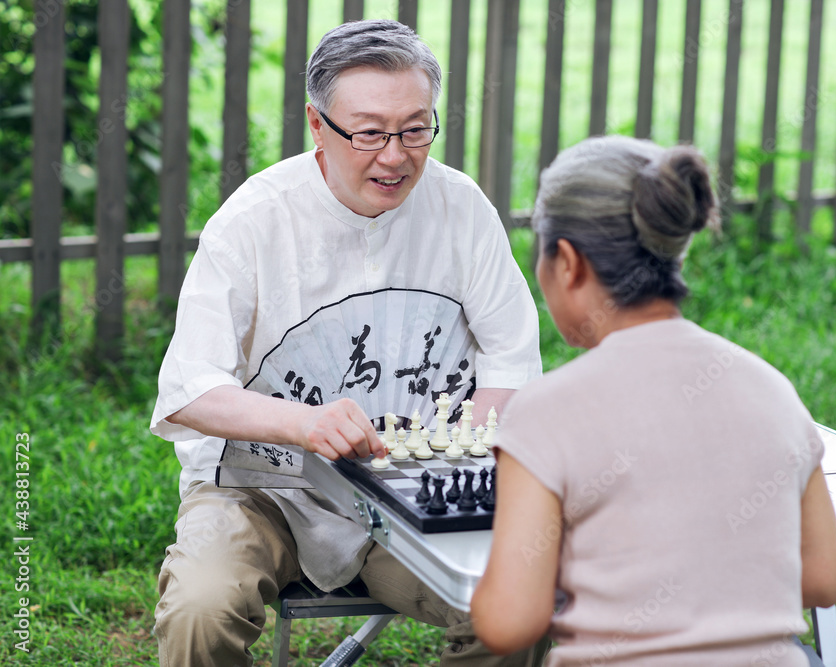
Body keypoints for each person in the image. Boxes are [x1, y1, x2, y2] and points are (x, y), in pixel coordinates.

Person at [150, 19, 547, 666]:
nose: (394, 155)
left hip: (412, 486)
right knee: (200, 607)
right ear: (317, 124)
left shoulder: (461, 208)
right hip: (263, 491)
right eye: (368, 133)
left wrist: (454, 459)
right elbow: (188, 387)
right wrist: (305, 423)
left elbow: (510, 361)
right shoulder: (254, 222)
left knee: (520, 603)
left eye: (415, 129)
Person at [471, 136, 836, 666]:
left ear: (569, 263)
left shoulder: (547, 412)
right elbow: (824, 578)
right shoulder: (772, 389)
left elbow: (510, 622)